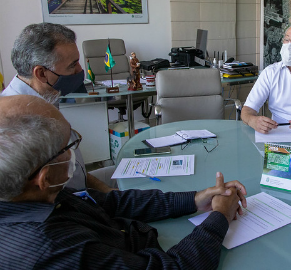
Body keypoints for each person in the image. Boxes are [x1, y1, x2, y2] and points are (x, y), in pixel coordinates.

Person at [0, 95, 247, 269]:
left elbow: (110, 202)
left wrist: (194, 199)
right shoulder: (55, 250)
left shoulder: (31, 193)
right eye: (69, 144)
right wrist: (220, 217)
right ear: (44, 177)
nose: (75, 149)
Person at [1, 23, 112, 192]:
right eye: (72, 65)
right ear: (41, 73)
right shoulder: (16, 123)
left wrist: (108, 192)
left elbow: (72, 171)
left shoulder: (48, 98)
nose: (80, 70)